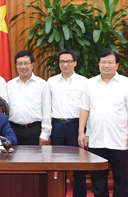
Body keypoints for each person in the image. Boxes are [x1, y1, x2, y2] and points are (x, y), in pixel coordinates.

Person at [78, 49, 128, 197]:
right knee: (98, 181)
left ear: (117, 65)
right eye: (103, 62)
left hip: (119, 139)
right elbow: (84, 109)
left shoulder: (126, 83)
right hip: (96, 139)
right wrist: (82, 133)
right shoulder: (90, 84)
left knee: (121, 179)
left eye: (110, 62)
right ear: (98, 64)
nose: (107, 65)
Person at [47, 49, 88, 197]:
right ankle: (58, 194)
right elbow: (47, 107)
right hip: (57, 126)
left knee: (79, 165)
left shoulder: (84, 82)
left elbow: (88, 108)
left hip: (75, 126)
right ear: (58, 64)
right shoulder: (51, 82)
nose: (65, 64)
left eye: (69, 61)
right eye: (62, 61)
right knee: (57, 165)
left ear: (75, 63)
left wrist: (84, 132)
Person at [7, 50, 51, 145]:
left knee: (34, 159)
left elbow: (46, 110)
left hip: (34, 130)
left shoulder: (42, 84)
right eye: (19, 64)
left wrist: (45, 134)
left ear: (32, 65)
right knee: (13, 159)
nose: (23, 67)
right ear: (16, 65)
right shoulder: (9, 85)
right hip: (13, 130)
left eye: (26, 63)